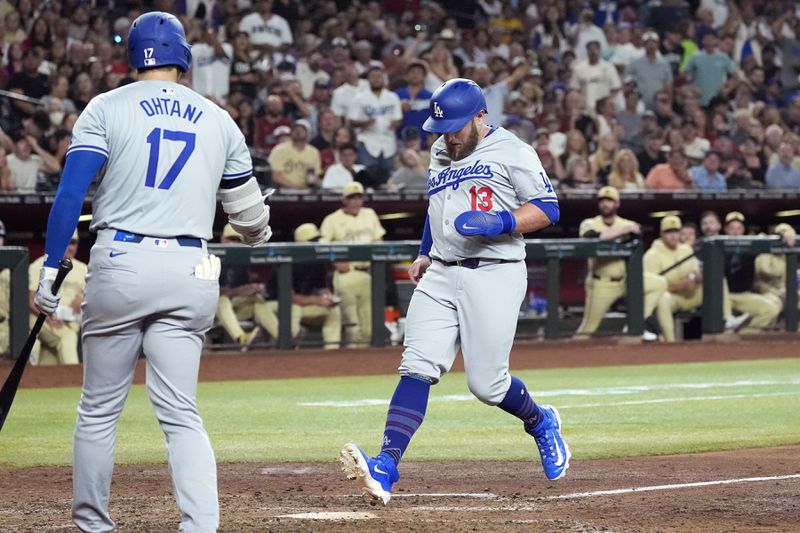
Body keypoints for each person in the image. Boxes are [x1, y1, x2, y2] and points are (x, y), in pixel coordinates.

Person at [31, 13, 272, 531]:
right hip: (192, 265)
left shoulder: (106, 106)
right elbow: (251, 219)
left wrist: (51, 269)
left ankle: (95, 525)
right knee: (182, 414)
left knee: (98, 411)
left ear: (132, 56)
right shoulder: (219, 118)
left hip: (121, 259)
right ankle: (201, 526)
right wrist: (259, 233)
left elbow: (70, 195)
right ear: (183, 58)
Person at [339, 78, 568, 506]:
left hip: (495, 271)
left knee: (487, 385)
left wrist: (501, 222)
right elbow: (436, 205)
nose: (449, 135)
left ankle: (541, 422)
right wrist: (426, 251)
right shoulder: (441, 150)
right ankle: (386, 465)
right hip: (442, 272)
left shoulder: (513, 150)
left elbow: (548, 208)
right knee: (417, 366)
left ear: (481, 116)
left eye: (458, 126)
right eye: (443, 127)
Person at [574, 186, 671, 341]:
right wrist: (622, 232)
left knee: (659, 283)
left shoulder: (626, 223)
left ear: (617, 204)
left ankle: (635, 324)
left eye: (610, 201)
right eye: (603, 201)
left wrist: (627, 231)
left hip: (626, 280)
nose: (606, 204)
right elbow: (592, 236)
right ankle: (569, 356)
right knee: (587, 330)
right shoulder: (590, 223)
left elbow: (637, 235)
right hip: (601, 283)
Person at [644, 216, 750, 341]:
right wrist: (678, 287)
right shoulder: (652, 255)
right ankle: (670, 341)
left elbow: (698, 271)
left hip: (691, 293)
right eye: (668, 232)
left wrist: (695, 278)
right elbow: (652, 289)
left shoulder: (686, 249)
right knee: (663, 299)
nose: (673, 236)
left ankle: (728, 319)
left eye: (676, 232)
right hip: (672, 297)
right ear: (661, 234)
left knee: (717, 280)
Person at [320, 181, 385, 347]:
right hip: (346, 275)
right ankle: (348, 364)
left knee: (369, 327)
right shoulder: (332, 219)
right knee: (352, 326)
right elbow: (321, 245)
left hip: (368, 274)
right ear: (344, 200)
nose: (356, 201)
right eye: (352, 198)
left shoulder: (370, 214)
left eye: (359, 198)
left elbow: (379, 239)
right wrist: (335, 260)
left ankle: (363, 367)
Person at [28, 230, 86, 365]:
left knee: (48, 364)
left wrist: (84, 297)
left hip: (69, 322)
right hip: (42, 319)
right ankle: (74, 381)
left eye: (73, 243)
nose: (70, 247)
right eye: (66, 243)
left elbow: (96, 298)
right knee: (67, 338)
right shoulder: (40, 264)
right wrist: (47, 316)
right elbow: (30, 299)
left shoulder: (83, 269)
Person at [215, 224, 274, 350]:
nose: (234, 244)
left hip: (234, 311)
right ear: (223, 239)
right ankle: (242, 338)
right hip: (211, 314)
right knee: (222, 300)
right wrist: (238, 291)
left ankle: (283, 337)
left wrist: (254, 289)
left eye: (237, 240)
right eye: (231, 239)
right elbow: (214, 294)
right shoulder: (211, 257)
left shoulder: (241, 260)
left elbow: (242, 289)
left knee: (257, 299)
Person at [723, 212, 782, 333]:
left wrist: (786, 233)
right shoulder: (717, 246)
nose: (735, 232)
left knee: (770, 309)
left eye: (739, 228)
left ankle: (744, 336)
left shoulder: (750, 247)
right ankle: (732, 324)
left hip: (743, 295)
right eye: (732, 228)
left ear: (743, 230)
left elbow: (772, 238)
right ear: (726, 230)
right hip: (723, 296)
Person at [290, 223, 342, 349]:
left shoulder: (317, 262)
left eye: (317, 240)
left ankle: (332, 348)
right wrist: (317, 300)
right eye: (313, 241)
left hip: (308, 306)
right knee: (293, 308)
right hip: (288, 308)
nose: (317, 243)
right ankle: (290, 348)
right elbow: (289, 297)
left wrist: (328, 296)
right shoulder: (288, 263)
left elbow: (321, 287)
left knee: (333, 310)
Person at [347, 65, 403, 175]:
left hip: (388, 142)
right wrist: (366, 122)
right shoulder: (359, 98)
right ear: (368, 79)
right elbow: (351, 121)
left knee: (388, 176)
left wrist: (395, 123)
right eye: (373, 77)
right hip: (368, 141)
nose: (376, 79)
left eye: (379, 76)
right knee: (367, 175)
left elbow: (399, 119)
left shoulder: (392, 97)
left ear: (383, 78)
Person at [267, 118, 321, 190]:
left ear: (308, 134)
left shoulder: (314, 152)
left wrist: (315, 182)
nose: (298, 132)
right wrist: (297, 188)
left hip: (307, 191)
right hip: (283, 191)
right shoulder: (279, 150)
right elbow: (275, 176)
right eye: (296, 130)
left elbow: (315, 175)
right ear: (291, 133)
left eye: (302, 130)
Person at [754, 223, 798, 306]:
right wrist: (780, 291)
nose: (787, 240)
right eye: (784, 236)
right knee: (775, 304)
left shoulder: (786, 254)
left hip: (785, 292)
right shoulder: (765, 253)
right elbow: (765, 273)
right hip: (766, 292)